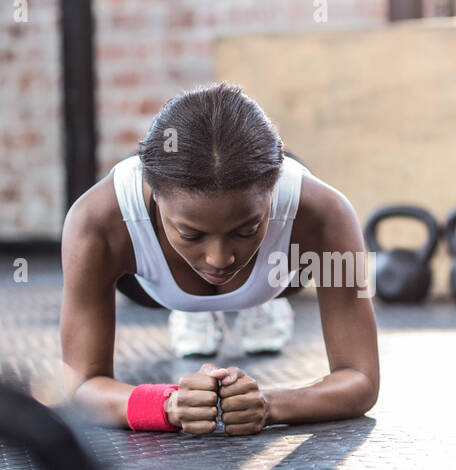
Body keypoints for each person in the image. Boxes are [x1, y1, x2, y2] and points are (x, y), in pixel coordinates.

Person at [60, 82, 378, 434]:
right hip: (148, 288)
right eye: (191, 234)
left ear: (273, 193)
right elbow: (80, 386)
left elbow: (361, 378)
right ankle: (193, 309)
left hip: (278, 276)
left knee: (267, 264)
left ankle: (259, 302)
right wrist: (167, 404)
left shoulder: (324, 213)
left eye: (246, 230)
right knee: (198, 280)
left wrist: (269, 404)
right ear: (154, 194)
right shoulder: (96, 221)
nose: (220, 259)